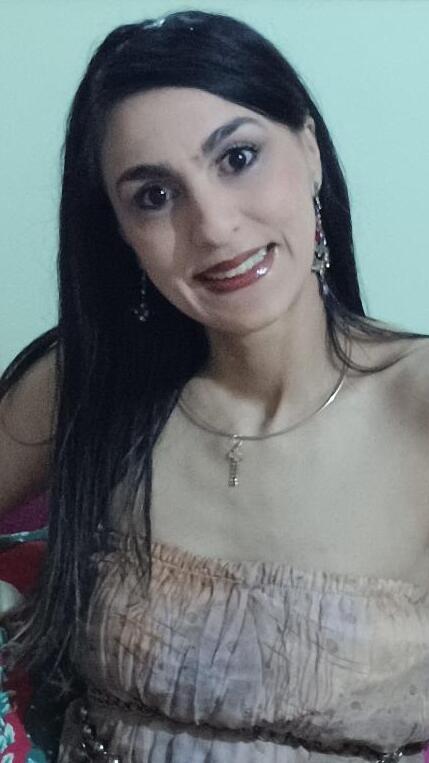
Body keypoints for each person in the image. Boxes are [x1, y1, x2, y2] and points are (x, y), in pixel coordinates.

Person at [1, 9, 429, 762]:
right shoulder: (86, 384)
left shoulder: (416, 404)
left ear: (309, 150)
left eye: (237, 157)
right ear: (121, 233)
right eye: (154, 196)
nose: (215, 226)